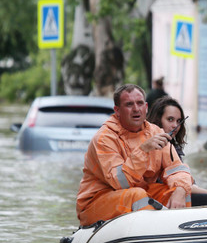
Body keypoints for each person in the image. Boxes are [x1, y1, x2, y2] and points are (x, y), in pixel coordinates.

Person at [76, 84, 192, 227]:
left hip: (139, 193)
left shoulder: (156, 132)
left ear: (146, 107)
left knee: (181, 192)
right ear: (117, 111)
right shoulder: (104, 138)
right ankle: (154, 235)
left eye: (139, 103)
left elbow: (177, 169)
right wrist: (143, 150)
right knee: (137, 195)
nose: (136, 109)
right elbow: (121, 183)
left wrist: (180, 190)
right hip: (96, 202)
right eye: (129, 104)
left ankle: (177, 236)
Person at [147, 96, 207, 205]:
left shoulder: (172, 147)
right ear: (157, 119)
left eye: (179, 121)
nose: (175, 126)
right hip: (157, 201)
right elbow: (180, 185)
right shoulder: (152, 146)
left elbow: (186, 182)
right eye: (170, 119)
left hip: (170, 197)